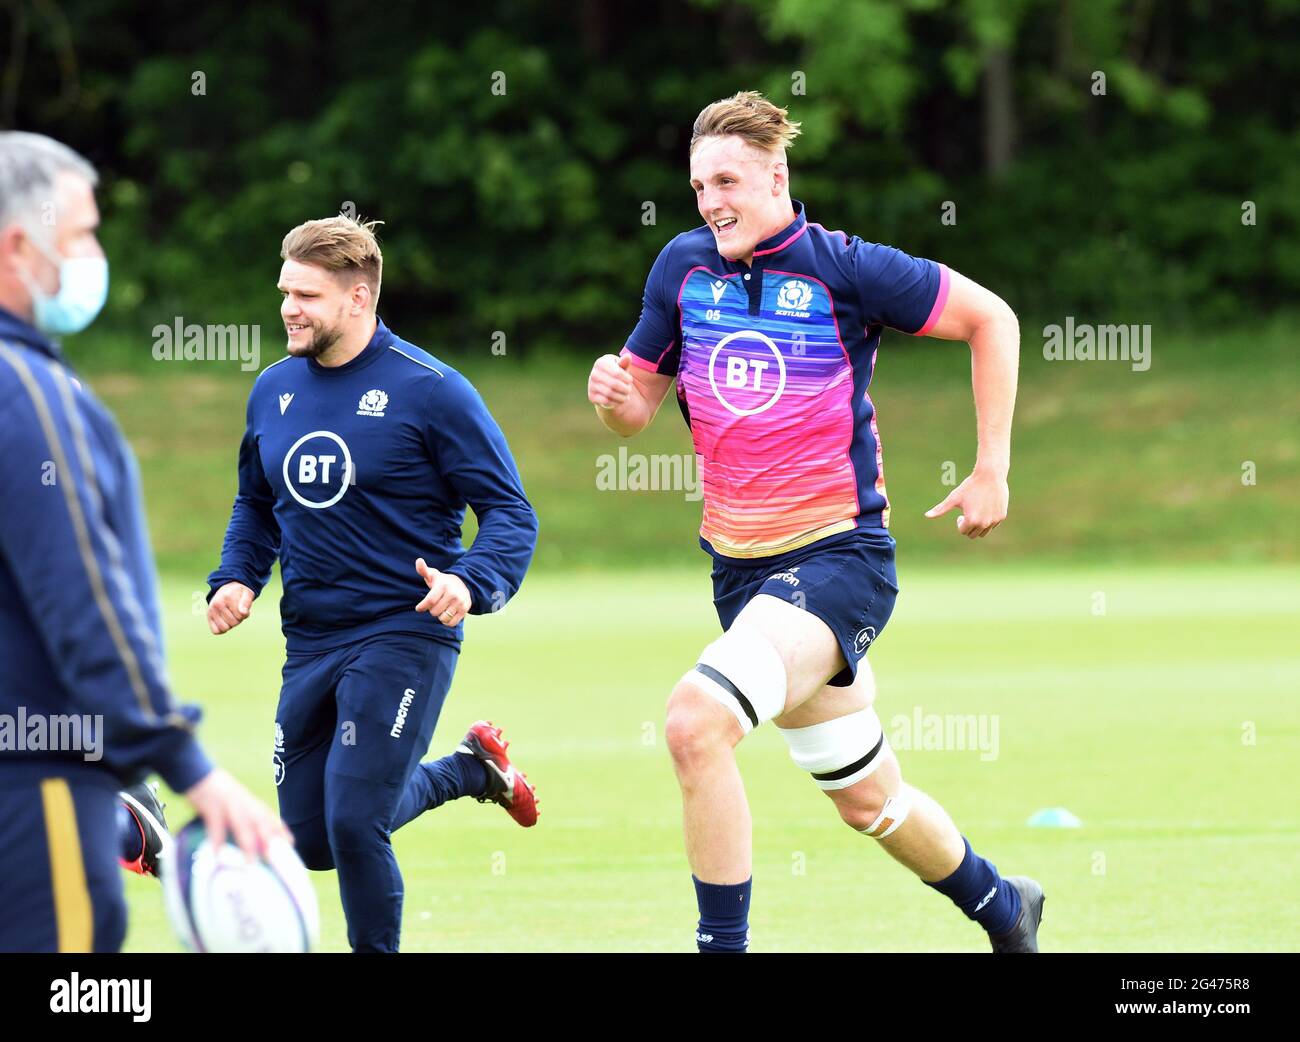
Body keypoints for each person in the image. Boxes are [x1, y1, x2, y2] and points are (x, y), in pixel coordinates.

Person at [587, 92, 1041, 952]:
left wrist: (992, 468)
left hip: (839, 560)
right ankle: (1005, 909)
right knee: (866, 797)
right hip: (742, 573)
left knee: (695, 723)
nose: (710, 200)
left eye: (726, 180)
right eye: (697, 186)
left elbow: (993, 319)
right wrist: (611, 396)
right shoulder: (682, 267)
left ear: (776, 176)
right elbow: (635, 409)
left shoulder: (845, 267)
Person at [207, 215, 540, 953]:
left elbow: (512, 513)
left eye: (307, 294)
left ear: (358, 299)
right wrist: (235, 578)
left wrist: (471, 580)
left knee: (356, 821)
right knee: (312, 838)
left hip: (405, 631)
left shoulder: (433, 391)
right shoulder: (272, 391)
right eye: (285, 291)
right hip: (312, 638)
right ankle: (468, 771)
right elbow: (256, 505)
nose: (289, 307)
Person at [0, 131, 287, 953]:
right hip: (36, 786)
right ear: (22, 246)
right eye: (84, 235)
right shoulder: (27, 393)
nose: (95, 255)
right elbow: (84, 599)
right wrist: (182, 763)